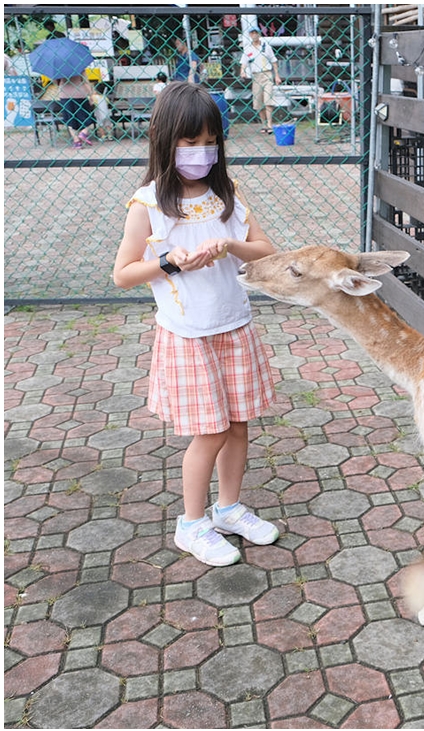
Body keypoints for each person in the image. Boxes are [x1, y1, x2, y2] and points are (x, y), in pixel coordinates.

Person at [111, 81, 279, 567]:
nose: (201, 152)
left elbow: (267, 250)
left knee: (239, 425)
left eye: (210, 142)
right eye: (190, 143)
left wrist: (230, 245)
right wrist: (170, 263)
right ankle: (192, 524)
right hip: (189, 336)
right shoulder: (148, 205)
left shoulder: (228, 193)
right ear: (166, 142)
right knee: (210, 431)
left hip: (235, 325)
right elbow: (123, 274)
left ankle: (228, 509)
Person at [239, 27, 281, 133]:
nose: (254, 35)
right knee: (258, 102)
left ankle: (270, 124)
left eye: (255, 33)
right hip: (256, 76)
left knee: (268, 100)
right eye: (252, 33)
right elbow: (244, 62)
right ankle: (264, 124)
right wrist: (242, 71)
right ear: (249, 35)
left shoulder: (266, 47)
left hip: (267, 74)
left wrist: (277, 75)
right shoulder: (248, 49)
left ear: (259, 34)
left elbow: (274, 61)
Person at [56, 73, 95, 148]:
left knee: (69, 119)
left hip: (64, 94)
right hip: (80, 93)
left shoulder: (58, 68)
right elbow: (85, 81)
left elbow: (56, 82)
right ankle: (83, 133)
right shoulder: (79, 65)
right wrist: (90, 94)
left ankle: (76, 141)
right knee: (87, 116)